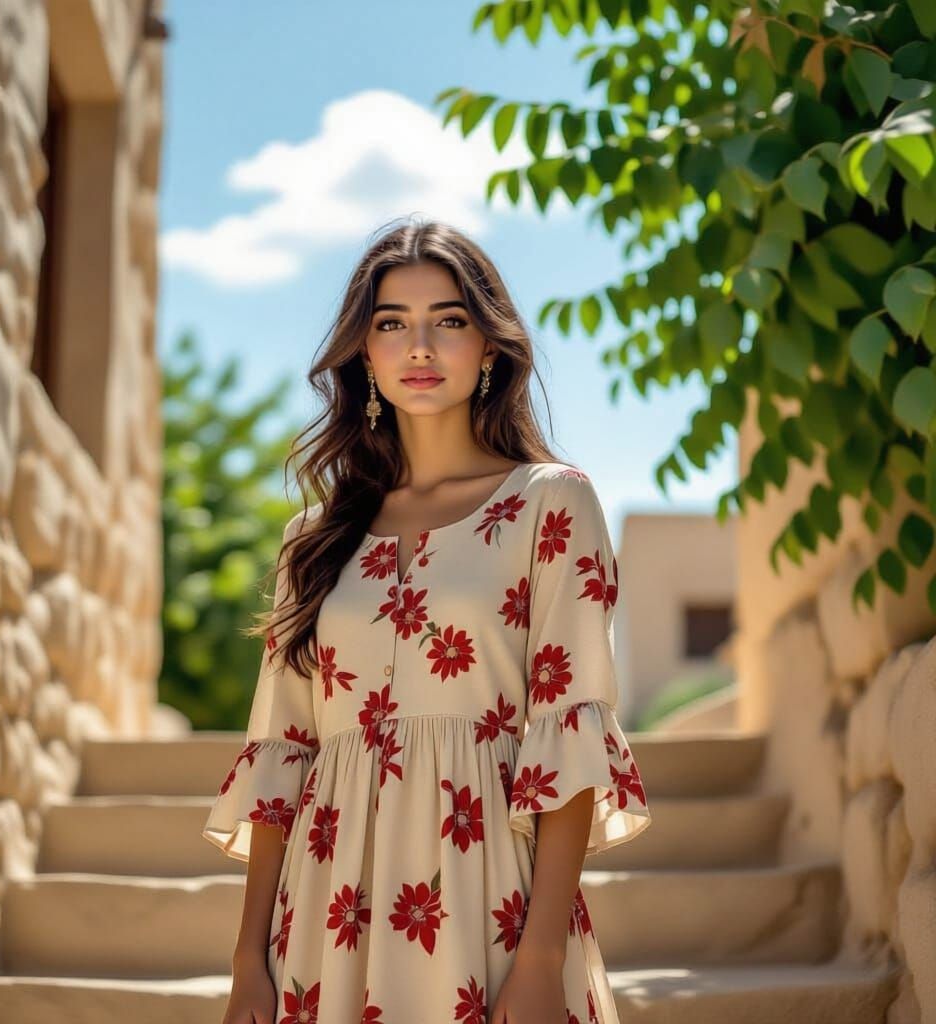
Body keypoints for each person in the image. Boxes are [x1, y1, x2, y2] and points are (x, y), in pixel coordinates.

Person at [203, 217, 652, 1024]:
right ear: (364, 354)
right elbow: (281, 753)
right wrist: (248, 963)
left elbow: (570, 731)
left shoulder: (551, 502)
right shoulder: (313, 539)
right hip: (324, 909)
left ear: (489, 348)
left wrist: (542, 956)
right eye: (391, 324)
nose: (419, 346)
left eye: (449, 321)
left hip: (490, 896)